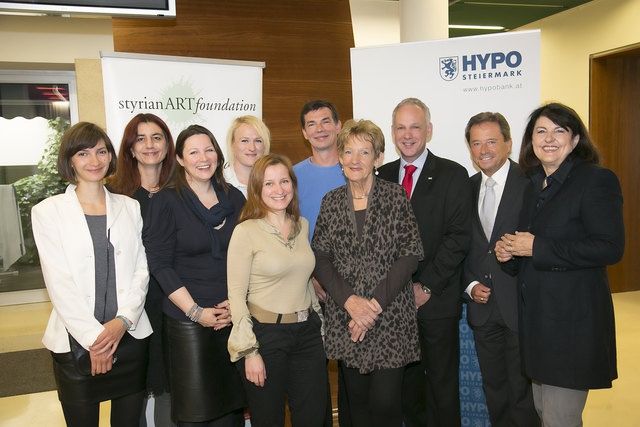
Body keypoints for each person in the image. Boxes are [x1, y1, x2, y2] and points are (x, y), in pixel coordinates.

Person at [495, 103, 624, 427]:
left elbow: (610, 247)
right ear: (531, 140)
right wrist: (510, 254)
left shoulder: (596, 180)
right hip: (539, 326)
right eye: (541, 131)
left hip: (571, 327)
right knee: (543, 412)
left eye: (559, 130)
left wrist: (537, 246)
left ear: (576, 138)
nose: (548, 138)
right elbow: (530, 253)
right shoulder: (534, 184)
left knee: (559, 418)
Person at [31, 121, 152, 427]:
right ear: (70, 160)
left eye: (101, 151)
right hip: (74, 343)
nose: (94, 161)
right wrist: (95, 338)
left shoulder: (130, 207)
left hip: (129, 335)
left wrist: (121, 322)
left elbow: (141, 269)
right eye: (83, 154)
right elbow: (58, 283)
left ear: (111, 156)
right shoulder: (48, 211)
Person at [312, 119, 424, 427]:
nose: (355, 160)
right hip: (348, 319)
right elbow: (320, 257)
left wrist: (371, 307)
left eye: (364, 152)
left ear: (377, 158)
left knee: (386, 405)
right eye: (348, 152)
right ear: (340, 157)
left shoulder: (395, 196)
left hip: (388, 317)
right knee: (357, 406)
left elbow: (410, 255)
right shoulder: (332, 201)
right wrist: (351, 303)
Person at [142, 125, 246, 426]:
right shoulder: (166, 201)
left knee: (232, 410)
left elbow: (248, 256)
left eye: (209, 149)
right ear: (181, 159)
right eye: (194, 152)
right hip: (187, 321)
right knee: (197, 414)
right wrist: (195, 311)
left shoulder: (235, 199)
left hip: (231, 316)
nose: (204, 158)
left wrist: (235, 302)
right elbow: (160, 264)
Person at [377, 97, 472, 427]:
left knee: (442, 387)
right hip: (393, 306)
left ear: (428, 130)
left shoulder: (453, 174)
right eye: (400, 127)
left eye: (415, 126)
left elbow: (458, 238)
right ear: (392, 132)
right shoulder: (382, 176)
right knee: (406, 389)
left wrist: (426, 284)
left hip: (436, 301)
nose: (407, 134)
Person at [227, 153, 327, 427]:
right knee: (268, 420)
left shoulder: (302, 225)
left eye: (284, 181)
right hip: (266, 337)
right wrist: (249, 351)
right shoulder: (245, 231)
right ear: (257, 189)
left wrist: (320, 329)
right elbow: (236, 296)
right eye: (269, 183)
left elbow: (306, 280)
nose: (279, 189)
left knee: (313, 418)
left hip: (307, 335)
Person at [462, 112, 538, 427]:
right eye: (476, 143)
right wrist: (468, 286)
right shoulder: (465, 188)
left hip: (523, 307)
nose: (484, 150)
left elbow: (544, 244)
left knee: (524, 395)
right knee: (494, 391)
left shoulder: (533, 183)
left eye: (491, 141)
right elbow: (460, 246)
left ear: (508, 143)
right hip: (482, 310)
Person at [107, 113, 176, 427]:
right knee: (129, 396)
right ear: (130, 149)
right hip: (131, 307)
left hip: (175, 303)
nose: (150, 145)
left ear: (168, 145)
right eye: (141, 138)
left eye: (157, 137)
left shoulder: (182, 191)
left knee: (173, 390)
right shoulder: (114, 196)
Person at [293, 99, 348, 426]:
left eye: (326, 121)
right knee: (314, 370)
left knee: (354, 368)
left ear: (338, 125)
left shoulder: (354, 167)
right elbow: (290, 231)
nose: (320, 129)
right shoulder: (293, 176)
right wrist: (311, 275)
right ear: (304, 132)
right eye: (312, 124)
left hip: (356, 286)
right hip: (311, 287)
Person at [223, 115, 270, 197]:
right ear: (232, 144)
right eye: (244, 140)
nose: (252, 148)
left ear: (265, 145)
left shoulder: (274, 182)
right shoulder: (219, 182)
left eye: (258, 141)